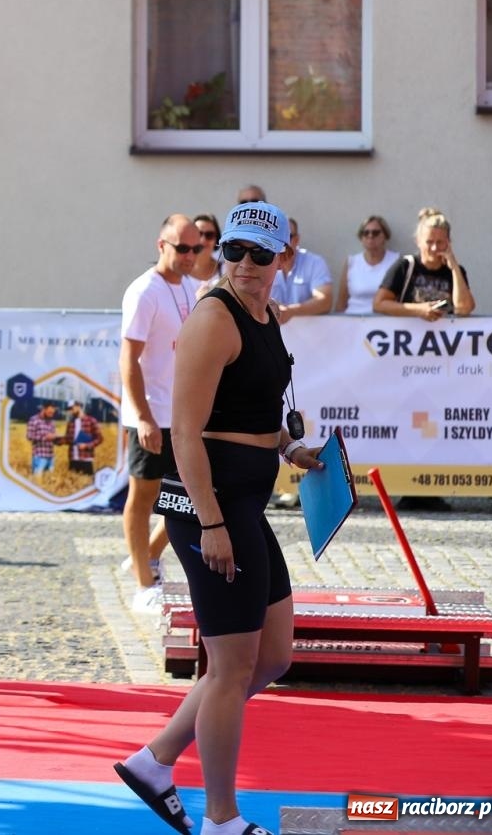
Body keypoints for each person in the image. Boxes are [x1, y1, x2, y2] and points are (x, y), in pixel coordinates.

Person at [117, 200, 322, 835]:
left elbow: (261, 407)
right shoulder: (215, 317)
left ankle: (155, 761)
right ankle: (222, 820)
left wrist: (292, 450)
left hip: (241, 503)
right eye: (232, 251)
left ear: (283, 259)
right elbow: (185, 434)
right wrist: (209, 523)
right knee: (232, 667)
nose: (244, 265)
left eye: (260, 255)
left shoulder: (265, 314)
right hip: (209, 505)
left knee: (273, 656)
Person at [119, 214, 203, 610]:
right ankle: (142, 583)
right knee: (144, 494)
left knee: (186, 494)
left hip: (183, 414)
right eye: (181, 248)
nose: (189, 255)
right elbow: (129, 360)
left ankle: (148, 554)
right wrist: (142, 417)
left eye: (196, 248)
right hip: (151, 414)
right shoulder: (144, 291)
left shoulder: (189, 286)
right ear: (161, 245)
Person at [373, 207, 474, 511]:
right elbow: (380, 303)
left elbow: (465, 308)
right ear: (419, 240)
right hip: (403, 363)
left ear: (449, 242)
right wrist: (418, 310)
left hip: (440, 365)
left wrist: (453, 264)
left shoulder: (454, 269)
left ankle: (432, 490)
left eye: (441, 242)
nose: (434, 248)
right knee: (405, 421)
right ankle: (406, 488)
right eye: (429, 242)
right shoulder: (405, 267)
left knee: (435, 421)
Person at [268, 218, 333, 323]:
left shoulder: (315, 262)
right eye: (277, 236)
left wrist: (290, 312)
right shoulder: (263, 261)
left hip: (308, 336)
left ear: (297, 239)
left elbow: (325, 301)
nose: (282, 242)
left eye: (287, 237)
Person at [333, 215, 400, 314]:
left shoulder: (396, 261)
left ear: (385, 236)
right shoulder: (352, 262)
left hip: (385, 323)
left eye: (375, 233)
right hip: (353, 320)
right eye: (365, 233)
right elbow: (341, 303)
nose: (370, 236)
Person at [62, 401, 104, 478]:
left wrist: (87, 445)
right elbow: (67, 439)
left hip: (86, 459)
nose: (70, 411)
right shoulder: (70, 422)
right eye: (69, 409)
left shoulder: (91, 420)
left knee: (86, 482)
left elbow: (99, 438)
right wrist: (55, 439)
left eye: (72, 408)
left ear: (78, 406)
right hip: (73, 458)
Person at [26, 402, 60, 477]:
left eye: (53, 413)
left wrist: (58, 440)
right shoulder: (34, 419)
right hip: (39, 456)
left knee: (49, 482)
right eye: (50, 412)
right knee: (38, 481)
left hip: (51, 457)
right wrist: (45, 437)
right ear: (44, 409)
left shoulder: (52, 422)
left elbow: (52, 437)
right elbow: (29, 436)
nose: (51, 414)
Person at [190, 213, 222, 289]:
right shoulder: (179, 273)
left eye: (209, 235)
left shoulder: (227, 271)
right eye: (198, 234)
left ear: (216, 239)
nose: (203, 240)